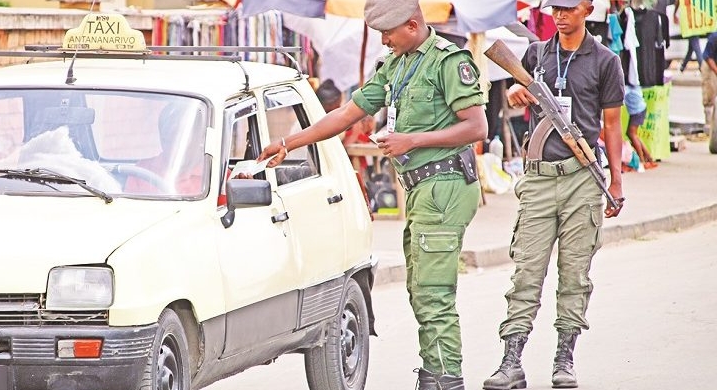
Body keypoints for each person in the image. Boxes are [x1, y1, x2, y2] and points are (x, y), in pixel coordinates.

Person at [258, 0, 487, 388]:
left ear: (413, 25)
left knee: (433, 293)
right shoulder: (395, 64)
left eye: (388, 33)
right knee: (420, 289)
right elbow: (346, 114)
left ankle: (447, 380)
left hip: (445, 185)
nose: (383, 40)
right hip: (420, 187)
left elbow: (476, 127)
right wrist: (289, 141)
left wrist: (411, 139)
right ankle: (435, 373)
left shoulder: (448, 62)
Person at [482, 1, 625, 389]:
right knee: (527, 272)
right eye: (556, 8)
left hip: (581, 178)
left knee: (575, 274)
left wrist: (615, 181)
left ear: (588, 9)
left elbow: (612, 125)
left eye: (569, 8)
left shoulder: (606, 61)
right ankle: (511, 360)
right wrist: (514, 91)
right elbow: (517, 89)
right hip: (540, 180)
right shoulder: (536, 54)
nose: (561, 15)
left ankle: (565, 359)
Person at [700, 32, 717, 132]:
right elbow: (707, 57)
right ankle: (709, 126)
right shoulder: (714, 37)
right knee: (710, 94)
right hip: (709, 65)